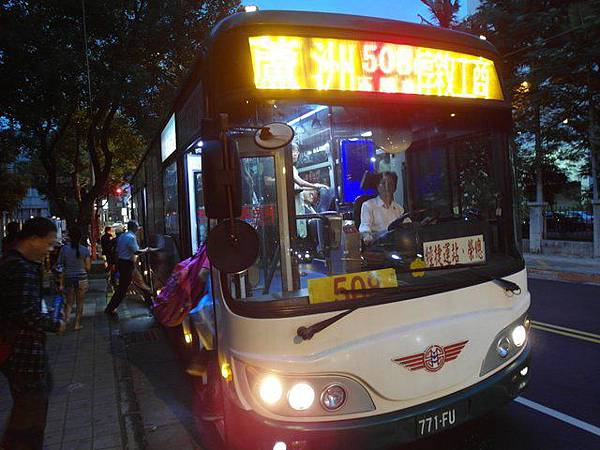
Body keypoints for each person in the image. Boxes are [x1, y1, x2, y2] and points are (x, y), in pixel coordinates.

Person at [0, 217, 66, 450]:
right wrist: (54, 325)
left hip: (18, 351)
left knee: (30, 404)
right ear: (33, 239)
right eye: (48, 244)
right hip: (23, 352)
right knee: (31, 410)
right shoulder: (20, 267)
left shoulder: (11, 261)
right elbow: (26, 312)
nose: (49, 250)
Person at [104, 221, 154, 316]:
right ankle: (110, 308)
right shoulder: (131, 237)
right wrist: (147, 250)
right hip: (128, 264)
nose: (138, 229)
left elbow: (117, 252)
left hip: (124, 263)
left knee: (136, 283)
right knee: (123, 288)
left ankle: (150, 301)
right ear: (134, 228)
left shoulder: (123, 236)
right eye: (137, 227)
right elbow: (136, 251)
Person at [359, 171, 409, 244]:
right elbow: (365, 229)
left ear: (395, 188)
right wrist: (367, 236)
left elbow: (408, 225)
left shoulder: (399, 208)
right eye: (383, 183)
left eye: (390, 184)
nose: (387, 187)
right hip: (379, 247)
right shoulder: (368, 205)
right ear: (377, 186)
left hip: (397, 245)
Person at [57, 228, 91, 331]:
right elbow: (88, 267)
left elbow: (60, 265)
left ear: (70, 237)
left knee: (69, 302)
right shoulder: (84, 250)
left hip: (69, 278)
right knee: (80, 303)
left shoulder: (64, 249)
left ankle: (65, 323)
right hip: (82, 279)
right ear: (80, 237)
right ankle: (77, 324)